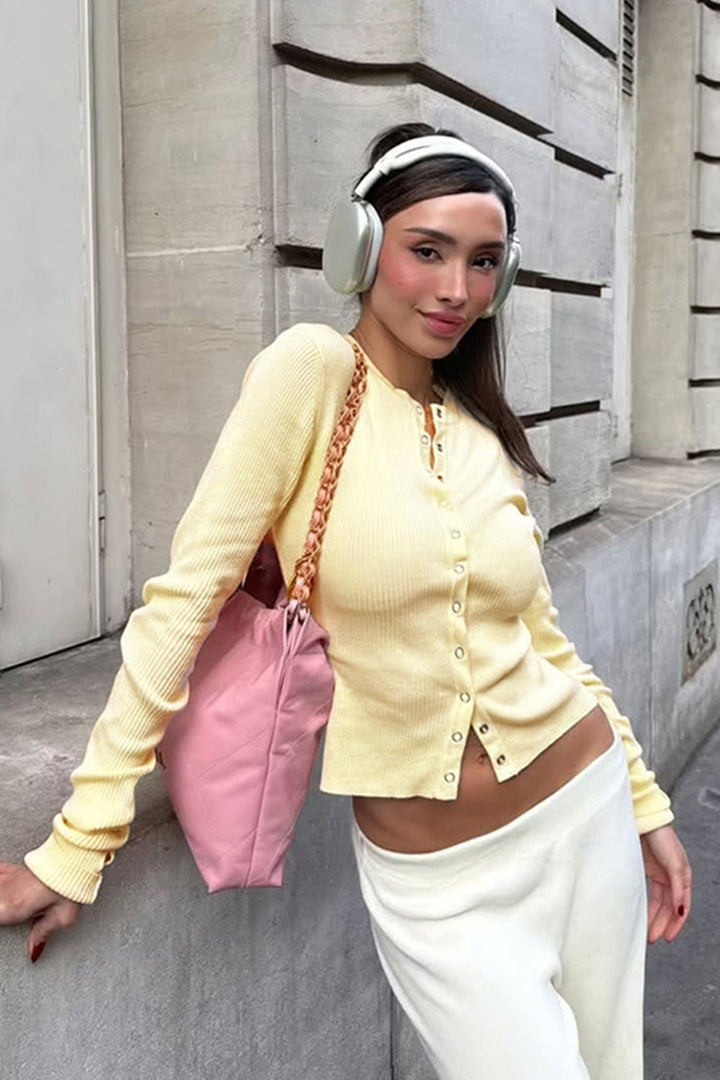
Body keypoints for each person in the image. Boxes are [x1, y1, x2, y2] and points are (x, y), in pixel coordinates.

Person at [0, 122, 692, 1079]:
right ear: (359, 247)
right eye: (427, 251)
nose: (457, 289)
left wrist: (646, 805)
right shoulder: (310, 375)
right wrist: (80, 843)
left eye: (483, 262)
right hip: (440, 886)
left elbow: (545, 643)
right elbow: (184, 601)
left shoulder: (482, 436)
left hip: (587, 813)